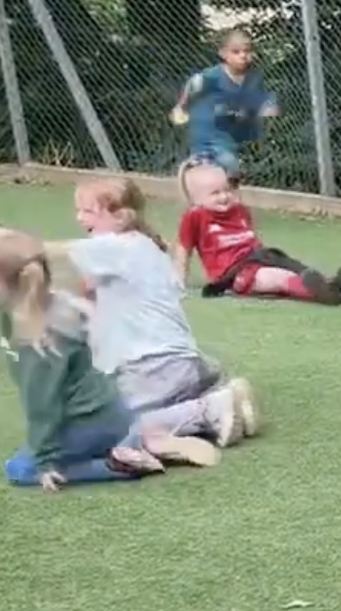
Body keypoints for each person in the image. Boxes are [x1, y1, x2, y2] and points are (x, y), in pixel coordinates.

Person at [49, 177, 257, 445]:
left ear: (121, 217)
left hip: (153, 368)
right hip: (182, 364)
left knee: (101, 430)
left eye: (88, 211)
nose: (79, 218)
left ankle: (209, 410)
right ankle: (214, 394)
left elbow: (44, 255)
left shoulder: (117, 247)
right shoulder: (142, 247)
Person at [2, 233, 218, 489]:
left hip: (90, 422)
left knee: (19, 468)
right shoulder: (44, 305)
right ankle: (131, 444)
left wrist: (43, 461)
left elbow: (43, 407)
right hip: (111, 411)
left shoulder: (38, 343)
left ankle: (117, 465)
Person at [176, 162, 341, 305]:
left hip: (260, 258)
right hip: (236, 274)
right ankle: (322, 294)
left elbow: (250, 240)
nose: (224, 196)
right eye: (215, 193)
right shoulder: (195, 216)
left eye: (227, 190)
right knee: (278, 278)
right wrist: (179, 281)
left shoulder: (239, 210)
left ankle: (332, 286)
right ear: (195, 199)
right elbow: (183, 250)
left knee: (292, 267)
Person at [171, 29, 279, 177]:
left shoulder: (253, 77)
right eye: (236, 52)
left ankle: (211, 180)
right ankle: (200, 169)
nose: (243, 56)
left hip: (228, 133)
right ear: (223, 54)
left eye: (247, 51)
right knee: (225, 166)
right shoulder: (213, 76)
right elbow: (193, 83)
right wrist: (180, 106)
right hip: (206, 132)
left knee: (228, 168)